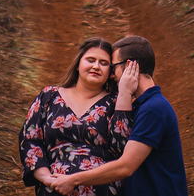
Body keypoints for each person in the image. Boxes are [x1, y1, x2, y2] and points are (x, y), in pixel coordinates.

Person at [48, 35, 188, 196]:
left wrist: (73, 180)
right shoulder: (143, 106)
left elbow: (125, 166)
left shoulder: (153, 109)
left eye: (113, 67)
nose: (112, 76)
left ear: (128, 66)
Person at [20, 37, 135, 196]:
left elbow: (123, 149)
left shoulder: (117, 103)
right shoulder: (49, 96)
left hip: (102, 190)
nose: (96, 66)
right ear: (78, 64)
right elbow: (30, 141)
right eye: (90, 60)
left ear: (111, 72)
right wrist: (48, 179)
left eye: (103, 63)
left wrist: (125, 94)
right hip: (54, 189)